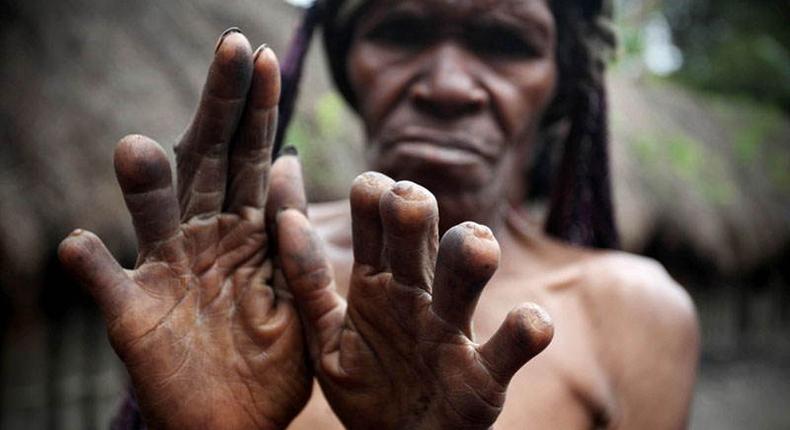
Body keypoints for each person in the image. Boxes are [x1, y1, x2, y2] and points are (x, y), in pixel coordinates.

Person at [58, 0, 700, 428]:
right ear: (347, 64)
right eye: (400, 32)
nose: (448, 85)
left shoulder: (633, 312)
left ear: (559, 86)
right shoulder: (226, 291)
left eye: (506, 43)